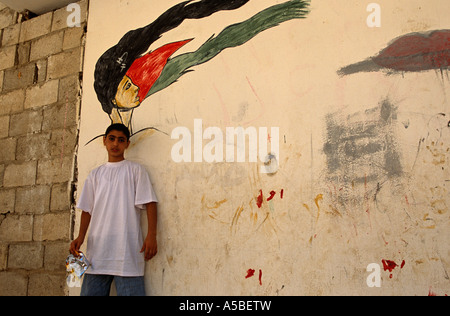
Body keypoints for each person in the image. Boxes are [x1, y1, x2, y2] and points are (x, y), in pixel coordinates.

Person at [70, 123, 158, 296]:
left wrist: (151, 235)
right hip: (97, 253)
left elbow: (150, 203)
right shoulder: (95, 175)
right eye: (111, 139)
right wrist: (80, 237)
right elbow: (87, 209)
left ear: (127, 144)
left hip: (127, 252)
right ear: (104, 141)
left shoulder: (136, 171)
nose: (115, 144)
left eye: (121, 140)